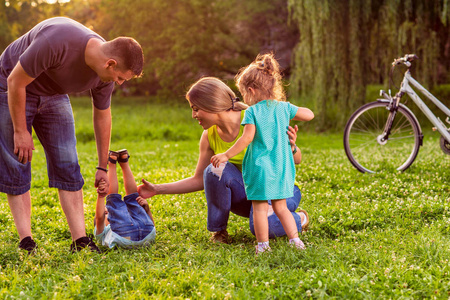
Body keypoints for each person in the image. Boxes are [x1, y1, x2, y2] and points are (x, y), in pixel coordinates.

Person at [0, 17, 144, 253]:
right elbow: (16, 80)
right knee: (18, 160)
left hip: (54, 93)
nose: (118, 83)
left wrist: (101, 166)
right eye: (120, 77)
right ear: (110, 63)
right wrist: (20, 131)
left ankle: (80, 241)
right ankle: (26, 241)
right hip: (11, 85)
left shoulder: (104, 76)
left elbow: (102, 117)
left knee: (67, 161)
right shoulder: (57, 40)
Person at [138, 76, 310, 244]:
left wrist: (291, 146)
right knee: (214, 170)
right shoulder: (209, 135)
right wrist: (157, 189)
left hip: (278, 189)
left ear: (211, 104)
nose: (193, 115)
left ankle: (300, 218)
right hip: (251, 193)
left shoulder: (252, 116)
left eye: (196, 108)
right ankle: (219, 231)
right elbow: (200, 179)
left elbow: (297, 159)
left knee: (267, 226)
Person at [211, 53, 314, 254]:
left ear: (251, 90)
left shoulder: (252, 112)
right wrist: (292, 112)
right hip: (281, 166)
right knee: (281, 207)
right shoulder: (284, 108)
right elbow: (309, 115)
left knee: (259, 208)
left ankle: (263, 245)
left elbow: (246, 138)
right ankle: (295, 240)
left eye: (244, 94)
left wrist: (226, 155)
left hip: (259, 168)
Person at [94, 150, 155, 249]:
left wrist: (146, 209)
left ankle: (123, 161)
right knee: (114, 200)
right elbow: (99, 218)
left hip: (146, 233)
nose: (108, 213)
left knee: (134, 199)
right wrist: (101, 195)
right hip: (130, 234)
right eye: (106, 213)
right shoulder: (102, 232)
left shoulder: (124, 219)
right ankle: (113, 163)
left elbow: (151, 225)